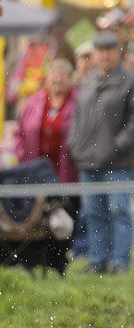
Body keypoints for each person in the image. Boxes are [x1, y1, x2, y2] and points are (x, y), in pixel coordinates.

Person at [68, 30, 134, 274]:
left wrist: (116, 146)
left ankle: (120, 262)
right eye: (100, 50)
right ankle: (98, 261)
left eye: (109, 50)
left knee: (119, 211)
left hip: (119, 163)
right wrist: (75, 144)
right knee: (94, 213)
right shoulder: (88, 82)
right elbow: (77, 118)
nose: (104, 55)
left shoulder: (129, 81)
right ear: (94, 54)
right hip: (88, 161)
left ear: (118, 53)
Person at [14, 59, 78, 184]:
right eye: (54, 74)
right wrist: (22, 156)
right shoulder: (33, 102)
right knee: (38, 202)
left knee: (64, 203)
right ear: (48, 78)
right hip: (35, 172)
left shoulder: (79, 102)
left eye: (62, 75)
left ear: (71, 79)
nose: (57, 79)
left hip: (68, 173)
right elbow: (19, 133)